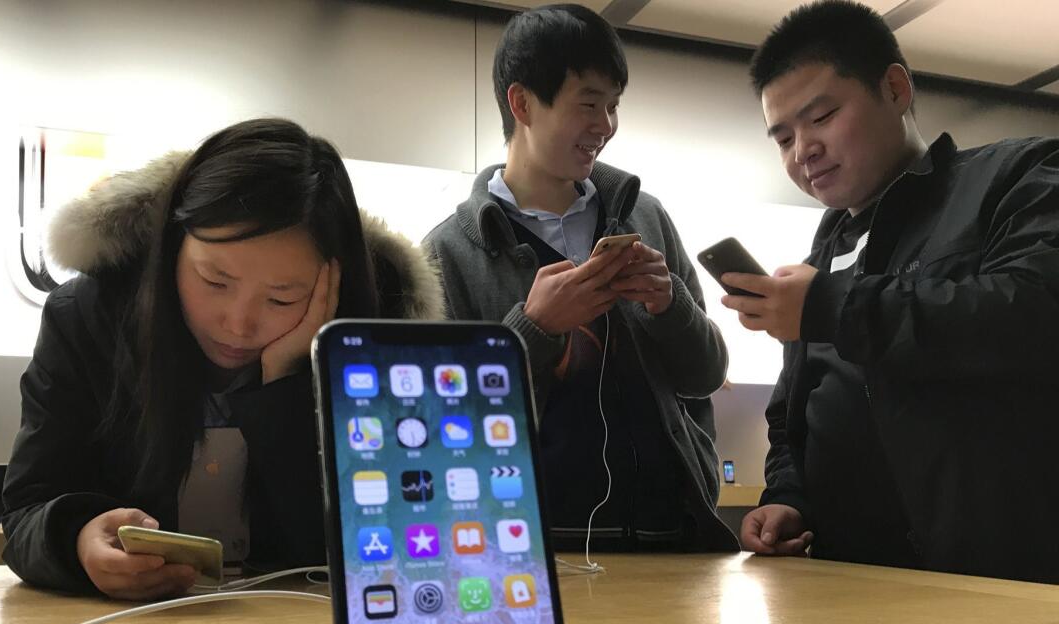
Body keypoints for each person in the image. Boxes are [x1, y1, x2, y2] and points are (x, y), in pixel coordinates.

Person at [2, 118, 445, 599]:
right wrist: (77, 538)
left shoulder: (368, 346)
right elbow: (27, 508)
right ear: (171, 246)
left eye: (282, 298)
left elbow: (380, 540)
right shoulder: (88, 320)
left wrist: (286, 380)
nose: (239, 323)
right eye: (214, 281)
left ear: (331, 288)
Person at [726, 0, 1059, 584]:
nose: (802, 149)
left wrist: (832, 306)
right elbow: (791, 412)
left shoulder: (1017, 176)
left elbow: (1034, 313)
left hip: (994, 580)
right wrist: (788, 495)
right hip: (846, 581)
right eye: (782, 138)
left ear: (896, 88)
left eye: (822, 116)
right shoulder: (822, 256)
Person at [423, 4, 737, 555]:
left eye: (614, 107)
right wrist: (534, 329)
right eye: (589, 104)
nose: (606, 126)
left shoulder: (647, 218)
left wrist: (672, 304)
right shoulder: (449, 252)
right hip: (534, 550)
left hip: (675, 535)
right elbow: (442, 428)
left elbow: (707, 375)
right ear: (521, 103)